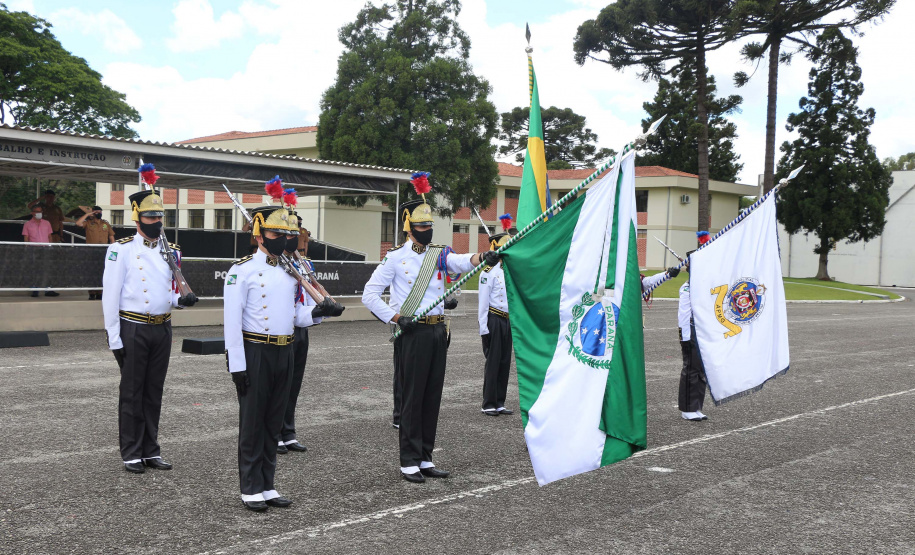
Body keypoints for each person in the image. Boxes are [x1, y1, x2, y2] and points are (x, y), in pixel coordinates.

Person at [362, 192, 500, 484]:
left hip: (438, 331)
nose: (427, 230)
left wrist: (481, 256)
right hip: (412, 331)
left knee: (431, 396)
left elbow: (462, 261)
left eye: (429, 226)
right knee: (412, 397)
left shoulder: (439, 253)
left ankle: (425, 457)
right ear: (408, 226)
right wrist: (396, 317)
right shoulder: (395, 258)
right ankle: (409, 461)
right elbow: (369, 294)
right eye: (422, 227)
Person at [223, 205, 333, 512]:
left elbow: (296, 315)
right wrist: (237, 364)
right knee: (253, 422)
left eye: (287, 234)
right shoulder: (241, 271)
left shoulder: (289, 271)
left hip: (285, 349)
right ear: (259, 235)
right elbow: (232, 322)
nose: (283, 239)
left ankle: (267, 484)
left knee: (273, 421)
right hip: (256, 350)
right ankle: (250, 487)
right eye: (276, 233)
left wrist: (318, 312)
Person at [103, 188, 198, 474]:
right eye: (150, 215)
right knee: (132, 392)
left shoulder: (172, 252)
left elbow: (167, 293)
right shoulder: (121, 250)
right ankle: (131, 452)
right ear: (137, 218)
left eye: (159, 216)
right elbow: (110, 296)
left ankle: (150, 450)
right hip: (133, 327)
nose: (156, 220)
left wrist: (180, 301)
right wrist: (114, 337)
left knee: (154, 391)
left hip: (162, 328)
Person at [277, 211, 322, 455]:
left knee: (294, 384)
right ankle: (274, 432)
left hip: (301, 330)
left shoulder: (304, 263)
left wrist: (319, 310)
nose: (295, 237)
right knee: (279, 385)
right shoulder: (275, 264)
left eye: (298, 232)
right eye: (290, 233)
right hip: (283, 330)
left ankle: (288, 432)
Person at [477, 220, 515, 417]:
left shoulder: (509, 271)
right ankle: (488, 403)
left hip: (507, 321)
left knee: (504, 362)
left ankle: (500, 401)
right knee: (493, 363)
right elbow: (483, 304)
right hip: (494, 320)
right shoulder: (488, 273)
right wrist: (484, 330)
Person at [676, 231, 712, 422]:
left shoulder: (701, 285)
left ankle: (696, 406)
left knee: (700, 370)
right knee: (691, 368)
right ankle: (687, 408)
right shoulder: (688, 287)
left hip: (701, 332)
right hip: (690, 332)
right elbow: (685, 315)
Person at [77, 206, 115, 300]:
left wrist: (114, 249)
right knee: (91, 272)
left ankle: (100, 292)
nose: (99, 213)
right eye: (96, 212)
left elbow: (111, 237)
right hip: (91, 251)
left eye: (100, 211)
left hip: (103, 251)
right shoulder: (88, 223)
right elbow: (78, 223)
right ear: (92, 213)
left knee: (102, 272)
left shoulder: (105, 223)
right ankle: (92, 292)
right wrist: (87, 214)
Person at [22, 204, 59, 297]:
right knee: (35, 269)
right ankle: (35, 289)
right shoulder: (27, 224)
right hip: (34, 249)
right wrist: (27, 248)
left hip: (46, 249)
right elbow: (26, 237)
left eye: (41, 212)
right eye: (37, 212)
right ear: (32, 213)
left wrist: (50, 246)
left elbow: (50, 236)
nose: (40, 213)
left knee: (48, 269)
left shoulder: (47, 223)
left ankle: (48, 289)